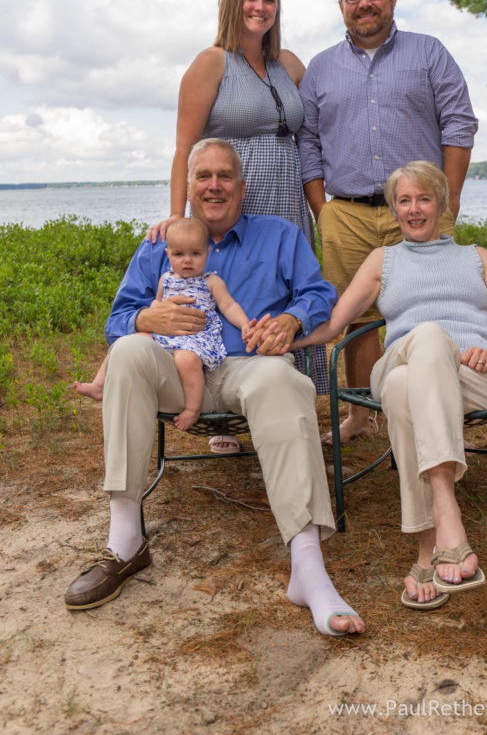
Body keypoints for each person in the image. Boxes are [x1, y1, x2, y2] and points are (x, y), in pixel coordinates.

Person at [64, 139, 365, 638]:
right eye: (203, 176)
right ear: (188, 188)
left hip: (250, 367)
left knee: (283, 378)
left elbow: (318, 294)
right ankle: (125, 541)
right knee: (129, 350)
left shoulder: (280, 234)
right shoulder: (160, 242)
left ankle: (308, 566)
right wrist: (145, 318)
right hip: (175, 373)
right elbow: (118, 319)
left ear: (242, 188)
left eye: (225, 176)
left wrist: (292, 318)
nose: (214, 185)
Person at [286, 161, 487, 610]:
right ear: (393, 210)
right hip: (404, 357)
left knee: (406, 386)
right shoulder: (382, 260)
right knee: (425, 339)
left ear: (442, 204)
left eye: (423, 199)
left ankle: (429, 548)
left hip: (474, 376)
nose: (413, 209)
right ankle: (447, 512)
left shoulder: (476, 257)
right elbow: (332, 325)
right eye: (403, 200)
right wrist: (285, 337)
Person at [297, 0, 478, 444]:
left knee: (434, 308)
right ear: (341, 7)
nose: (365, 3)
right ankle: (360, 415)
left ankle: (442, 410)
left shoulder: (429, 52)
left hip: (419, 212)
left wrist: (449, 199)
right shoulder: (321, 68)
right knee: (357, 319)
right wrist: (322, 210)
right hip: (346, 212)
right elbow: (307, 140)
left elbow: (459, 122)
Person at [148, 0, 327, 395]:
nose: (260, 7)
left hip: (287, 200)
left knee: (289, 292)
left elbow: (315, 134)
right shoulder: (211, 63)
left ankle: (289, 394)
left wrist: (325, 210)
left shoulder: (289, 64)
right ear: (232, 3)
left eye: (269, 0)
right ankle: (223, 394)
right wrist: (177, 215)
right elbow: (185, 148)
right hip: (232, 197)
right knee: (236, 291)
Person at [74, 218, 251, 438]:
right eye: (179, 254)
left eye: (195, 254)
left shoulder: (211, 281)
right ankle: (99, 384)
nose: (187, 260)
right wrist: (155, 309)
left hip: (196, 338)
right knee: (130, 341)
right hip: (166, 334)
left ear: (207, 253)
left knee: (186, 359)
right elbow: (157, 303)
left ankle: (193, 408)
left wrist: (244, 324)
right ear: (168, 254)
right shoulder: (166, 279)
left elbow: (229, 306)